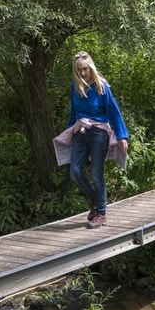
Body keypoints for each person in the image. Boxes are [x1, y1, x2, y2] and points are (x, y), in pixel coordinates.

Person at [55, 51, 129, 229]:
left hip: (98, 133)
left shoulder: (101, 86)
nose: (82, 73)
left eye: (85, 69)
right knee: (75, 172)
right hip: (80, 132)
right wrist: (69, 132)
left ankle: (101, 213)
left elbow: (113, 110)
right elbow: (74, 111)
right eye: (79, 69)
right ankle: (96, 203)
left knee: (97, 174)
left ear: (91, 68)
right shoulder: (75, 86)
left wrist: (122, 135)